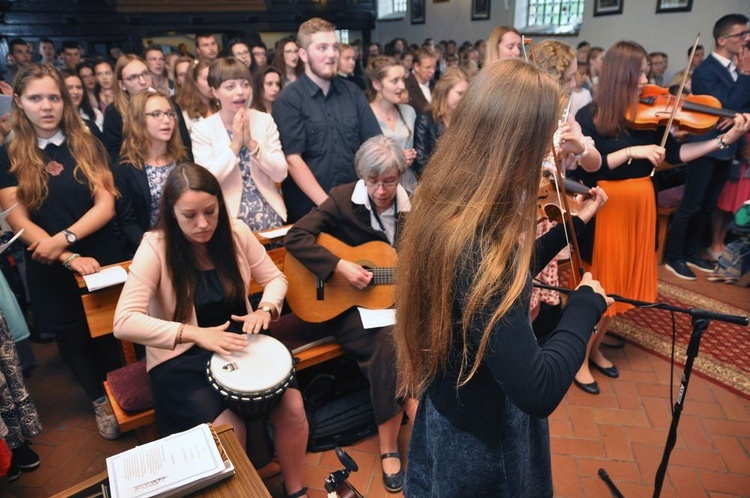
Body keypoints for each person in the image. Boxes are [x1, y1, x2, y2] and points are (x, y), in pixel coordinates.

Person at [393, 59, 610, 496]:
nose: (550, 154)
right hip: (484, 440)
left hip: (450, 408)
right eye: (544, 139)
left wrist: (575, 225)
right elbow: (538, 389)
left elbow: (497, 282)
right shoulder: (481, 242)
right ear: (517, 144)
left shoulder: (449, 200)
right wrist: (585, 306)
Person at [113, 163, 308, 498]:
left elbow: (275, 279)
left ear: (220, 204)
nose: (202, 224)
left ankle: (296, 490)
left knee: (292, 405)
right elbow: (123, 321)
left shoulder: (236, 233)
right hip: (182, 357)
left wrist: (265, 308)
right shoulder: (155, 246)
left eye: (210, 211)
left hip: (241, 344)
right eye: (189, 215)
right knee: (227, 427)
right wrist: (194, 333)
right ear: (172, 213)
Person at [572, 41, 749, 394]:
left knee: (618, 286)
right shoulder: (588, 116)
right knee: (600, 284)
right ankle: (577, 361)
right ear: (622, 74)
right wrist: (632, 150)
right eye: (640, 72)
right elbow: (593, 167)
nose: (647, 79)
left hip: (640, 202)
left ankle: (593, 350)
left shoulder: (646, 113)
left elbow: (674, 154)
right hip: (608, 205)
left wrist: (723, 140)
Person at [284, 136, 418, 493]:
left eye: (389, 181)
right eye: (373, 181)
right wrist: (339, 265)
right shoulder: (345, 198)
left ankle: (412, 413)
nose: (380, 189)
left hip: (392, 304)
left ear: (400, 176)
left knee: (404, 338)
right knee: (386, 346)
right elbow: (296, 237)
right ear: (362, 176)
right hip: (347, 307)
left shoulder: (412, 209)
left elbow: (418, 263)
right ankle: (394, 441)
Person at [0, 64, 127, 440]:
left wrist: (65, 238)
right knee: (72, 339)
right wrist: (65, 254)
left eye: (53, 97)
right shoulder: (8, 155)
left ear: (65, 101)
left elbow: (105, 205)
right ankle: (99, 400)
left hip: (98, 253)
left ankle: (121, 394)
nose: (46, 106)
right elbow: (18, 219)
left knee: (110, 334)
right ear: (20, 103)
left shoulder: (88, 142)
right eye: (36, 98)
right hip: (50, 265)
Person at [665, 14, 750, 280]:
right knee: (691, 204)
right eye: (741, 35)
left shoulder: (738, 69)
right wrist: (745, 75)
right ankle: (674, 256)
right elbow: (726, 108)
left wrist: (739, 115)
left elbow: (743, 109)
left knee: (709, 204)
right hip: (704, 146)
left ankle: (691, 252)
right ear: (723, 40)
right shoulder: (705, 71)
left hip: (729, 148)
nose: (747, 39)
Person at [272, 18, 381, 222]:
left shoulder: (353, 92)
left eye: (334, 47)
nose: (331, 54)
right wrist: (330, 207)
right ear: (303, 54)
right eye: (322, 48)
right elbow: (293, 160)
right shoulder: (288, 100)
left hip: (356, 206)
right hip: (311, 212)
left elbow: (374, 145)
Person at [192, 57, 288, 231]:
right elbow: (206, 181)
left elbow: (280, 173)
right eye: (230, 86)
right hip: (228, 220)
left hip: (269, 213)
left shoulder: (264, 120)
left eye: (245, 84)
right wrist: (235, 144)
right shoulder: (203, 129)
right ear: (214, 91)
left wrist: (252, 144)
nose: (240, 92)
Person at [115, 91, 188, 256]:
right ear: (138, 120)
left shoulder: (182, 160)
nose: (166, 119)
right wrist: (155, 250)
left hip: (186, 245)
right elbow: (127, 223)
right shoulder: (125, 168)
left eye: (170, 113)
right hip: (148, 251)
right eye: (156, 114)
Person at [103, 54, 192, 163]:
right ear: (122, 84)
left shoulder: (170, 105)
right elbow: (113, 155)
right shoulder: (114, 113)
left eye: (145, 74)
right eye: (133, 77)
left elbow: (185, 147)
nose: (143, 81)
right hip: (135, 171)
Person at [366, 56, 418, 192]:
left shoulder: (409, 112)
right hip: (379, 188)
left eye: (402, 79)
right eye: (395, 81)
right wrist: (395, 160)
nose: (402, 86)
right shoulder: (366, 115)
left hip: (408, 185)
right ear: (377, 84)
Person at [413, 67, 468, 176]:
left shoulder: (466, 119)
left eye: (466, 95)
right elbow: (421, 162)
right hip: (434, 183)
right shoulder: (426, 119)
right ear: (445, 91)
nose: (464, 99)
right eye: (460, 93)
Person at [61, 69, 104, 134]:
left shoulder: (96, 114)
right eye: (69, 88)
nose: (75, 92)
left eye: (79, 87)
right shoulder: (56, 119)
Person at [175, 59, 214, 132]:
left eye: (214, 78)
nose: (212, 83)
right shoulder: (184, 112)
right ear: (194, 81)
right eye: (207, 79)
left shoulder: (221, 104)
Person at [404, 48, 436, 115]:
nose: (432, 71)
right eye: (428, 67)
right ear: (416, 67)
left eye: (434, 67)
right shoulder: (406, 86)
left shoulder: (436, 85)